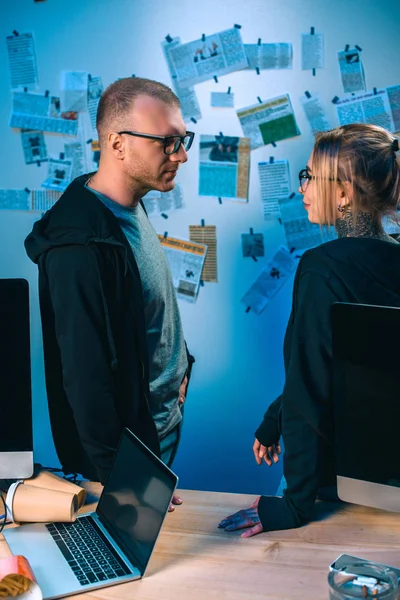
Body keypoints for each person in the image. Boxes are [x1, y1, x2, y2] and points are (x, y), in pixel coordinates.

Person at [218, 123, 400, 536]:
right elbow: (354, 369)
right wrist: (274, 417)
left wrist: (293, 506)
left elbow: (311, 385)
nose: (302, 188)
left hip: (332, 483)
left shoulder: (321, 267)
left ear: (342, 192)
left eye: (310, 177)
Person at [25, 77, 195, 510]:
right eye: (168, 142)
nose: (182, 154)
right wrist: (127, 478)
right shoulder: (78, 247)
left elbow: (146, 306)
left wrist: (182, 367)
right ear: (118, 145)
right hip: (133, 453)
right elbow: (85, 378)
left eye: (183, 139)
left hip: (161, 421)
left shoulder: (124, 201)